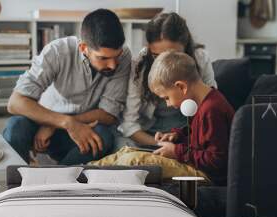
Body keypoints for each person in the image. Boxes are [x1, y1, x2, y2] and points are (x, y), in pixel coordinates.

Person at [3, 9, 131, 165]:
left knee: (104, 136)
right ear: (84, 48)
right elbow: (15, 103)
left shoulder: (124, 57)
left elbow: (109, 114)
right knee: (15, 126)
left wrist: (70, 124)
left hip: (80, 127)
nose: (112, 65)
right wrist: (63, 123)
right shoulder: (57, 51)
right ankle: (19, 183)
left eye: (116, 57)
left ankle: (59, 179)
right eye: (103, 58)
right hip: (42, 126)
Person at [92, 51, 235, 185]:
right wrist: (176, 136)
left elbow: (217, 160)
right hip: (195, 165)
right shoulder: (202, 103)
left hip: (206, 175)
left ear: (181, 87)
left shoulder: (211, 109)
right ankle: (85, 170)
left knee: (135, 160)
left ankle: (90, 176)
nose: (168, 104)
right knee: (126, 151)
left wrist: (176, 151)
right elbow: (198, 138)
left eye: (166, 98)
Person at [117, 12, 217, 149]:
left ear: (185, 46)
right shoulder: (140, 64)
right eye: (156, 55)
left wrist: (182, 141)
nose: (163, 62)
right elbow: (129, 123)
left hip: (188, 133)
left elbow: (210, 104)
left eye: (173, 55)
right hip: (150, 135)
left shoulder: (200, 59)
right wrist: (160, 144)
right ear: (148, 48)